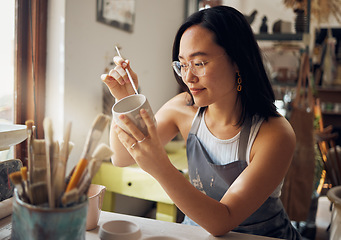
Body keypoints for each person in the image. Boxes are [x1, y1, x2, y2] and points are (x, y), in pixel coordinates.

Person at [101, 5, 301, 239]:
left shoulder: (274, 134)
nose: (188, 77)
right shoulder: (183, 108)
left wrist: (160, 167)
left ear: (237, 61)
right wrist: (125, 99)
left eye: (199, 63)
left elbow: (222, 220)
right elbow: (121, 157)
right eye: (182, 64)